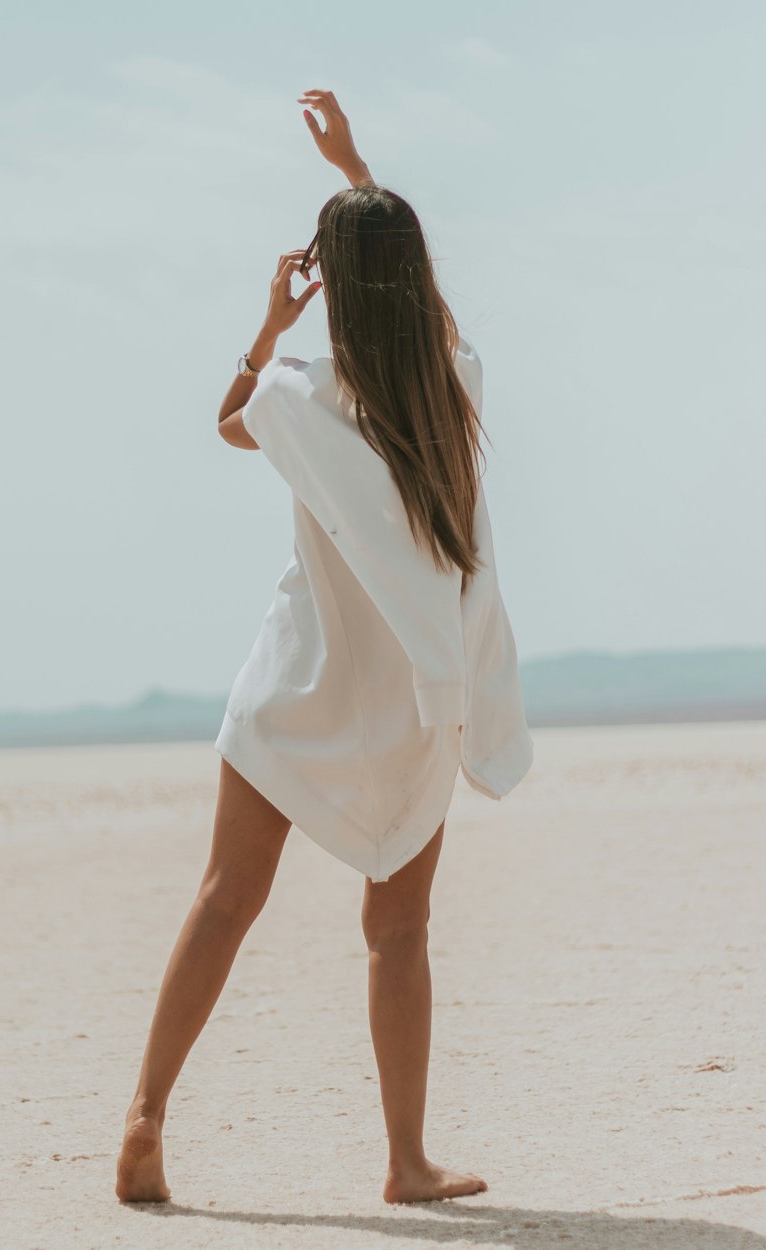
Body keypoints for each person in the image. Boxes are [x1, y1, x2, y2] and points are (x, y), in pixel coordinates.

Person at [116, 88, 532, 1206]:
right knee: (397, 928)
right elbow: (423, 313)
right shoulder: (455, 392)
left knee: (222, 899)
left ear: (333, 288)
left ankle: (146, 1117)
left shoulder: (300, 396)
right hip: (408, 704)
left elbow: (226, 418)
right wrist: (362, 175)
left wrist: (269, 324)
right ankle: (403, 1159)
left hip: (293, 692)